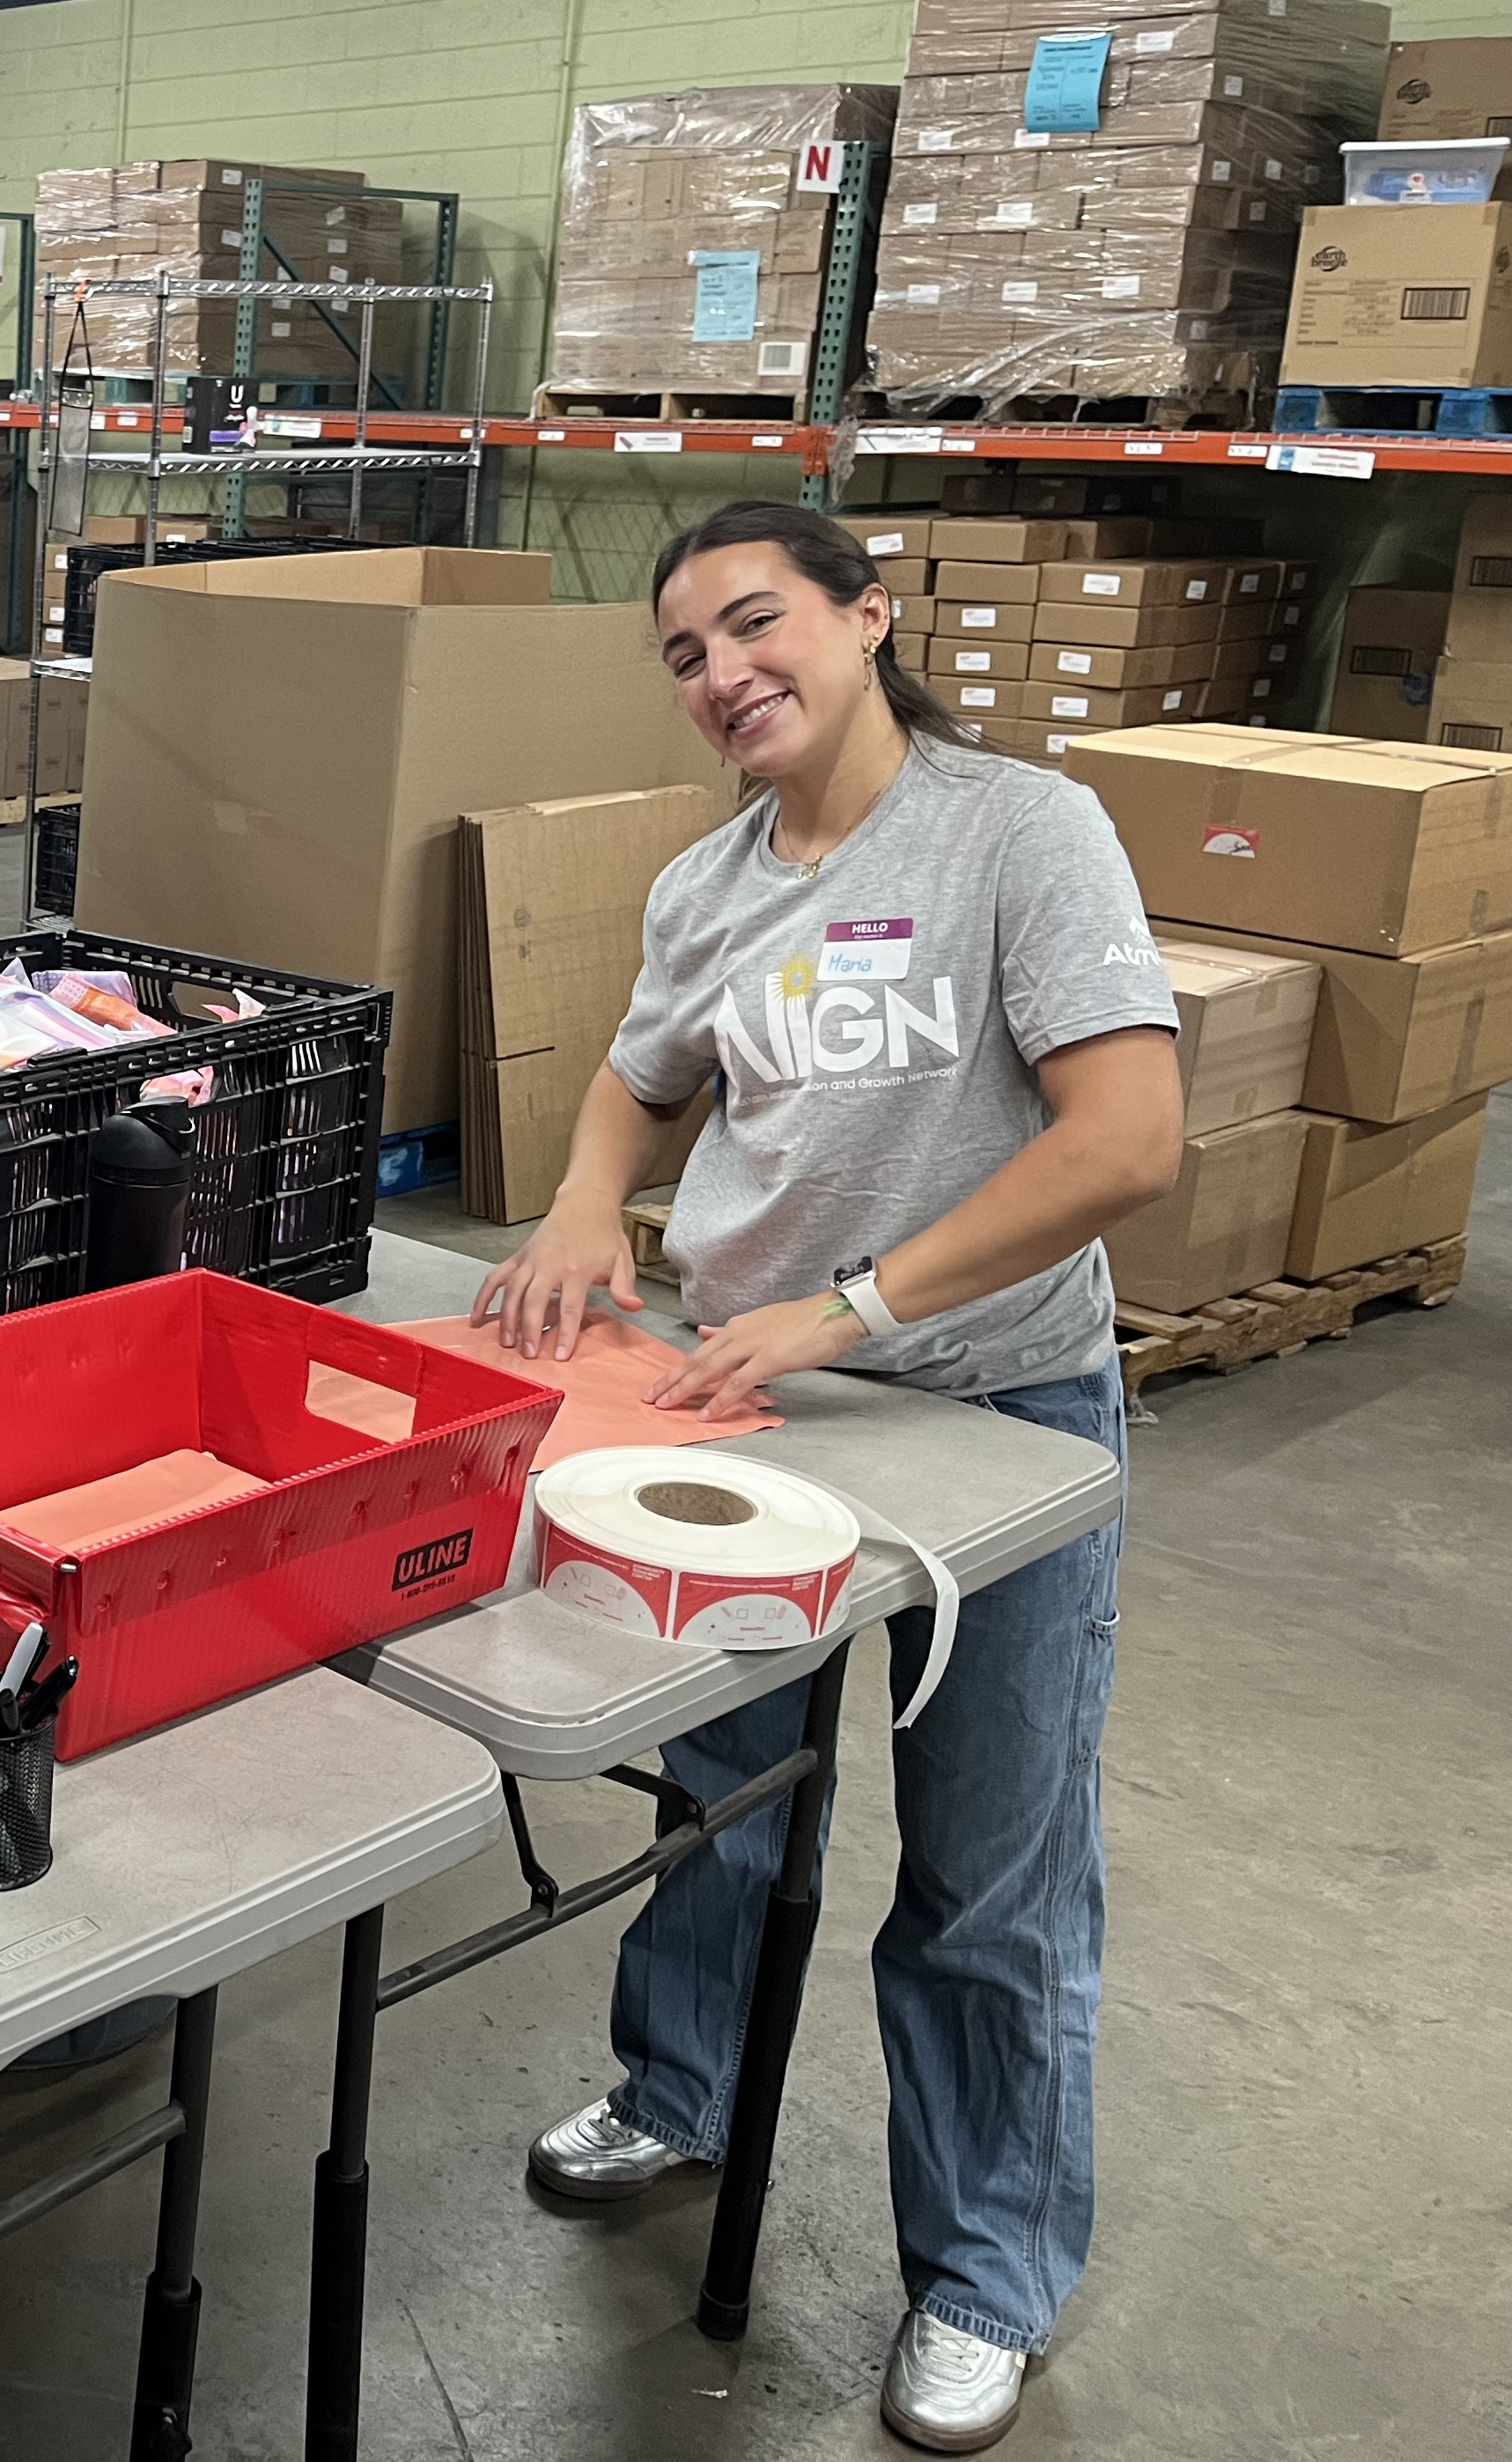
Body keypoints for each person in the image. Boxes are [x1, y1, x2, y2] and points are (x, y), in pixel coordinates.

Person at [473, 498, 1183, 2455]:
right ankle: (681, 2090)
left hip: (998, 1414)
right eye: (687, 654)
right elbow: (642, 1072)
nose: (722, 676)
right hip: (755, 1411)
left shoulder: (1017, 833)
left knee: (991, 1869)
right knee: (722, 1802)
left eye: (757, 624)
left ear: (873, 619)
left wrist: (852, 1303)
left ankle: (988, 2272)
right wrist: (583, 1206)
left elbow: (1127, 1136)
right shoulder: (708, 887)